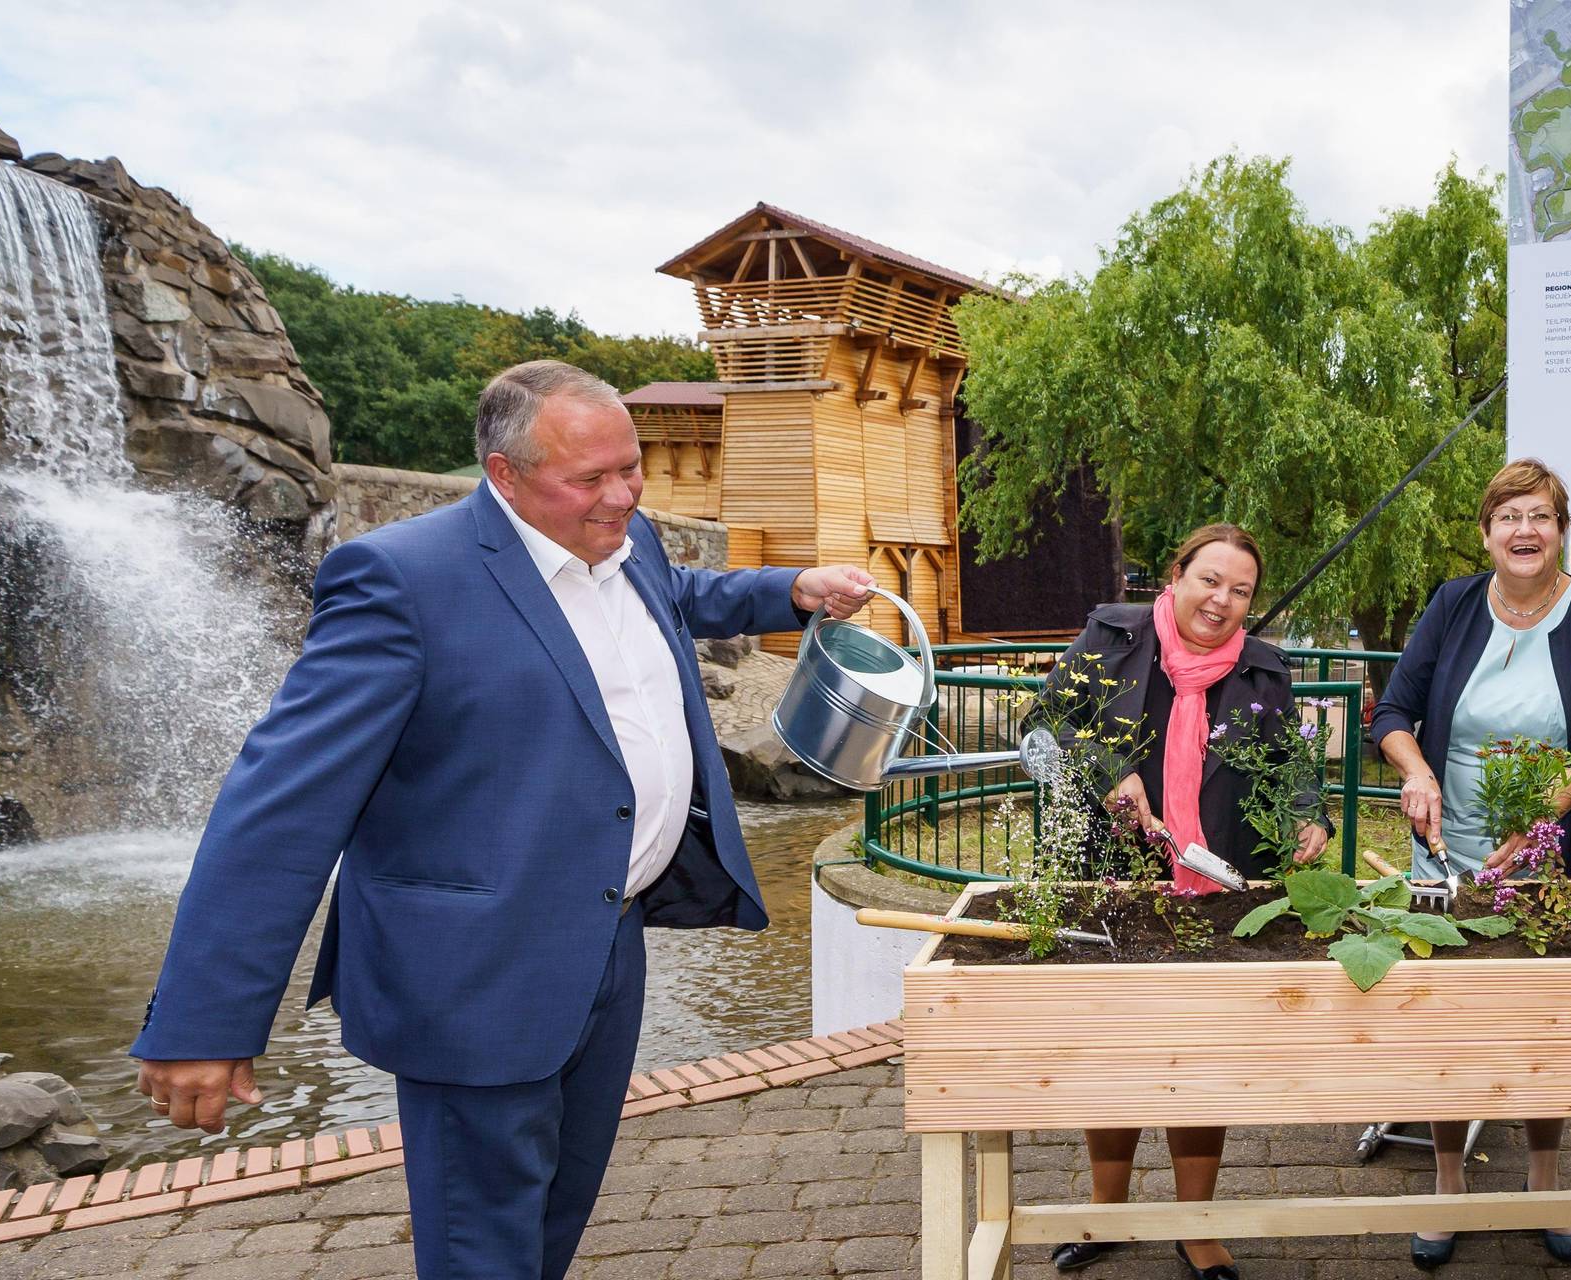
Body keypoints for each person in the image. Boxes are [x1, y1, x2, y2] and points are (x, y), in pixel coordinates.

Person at [129, 361, 881, 1280]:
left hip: (610, 938)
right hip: (473, 973)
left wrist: (787, 590)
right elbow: (279, 806)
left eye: (630, 468)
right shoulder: (399, 580)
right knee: (482, 1247)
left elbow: (675, 594)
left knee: (554, 1218)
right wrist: (203, 1022)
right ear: (503, 475)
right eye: (590, 480)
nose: (622, 496)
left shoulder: (625, 539)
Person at [1035, 523, 1330, 1280]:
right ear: (1176, 575)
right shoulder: (1111, 636)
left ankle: (1195, 1225)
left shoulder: (1263, 670)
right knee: (1114, 1054)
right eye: (1209, 580)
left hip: (1213, 885)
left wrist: (1309, 813)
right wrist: (1109, 770)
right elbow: (1047, 718)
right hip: (1113, 873)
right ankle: (1109, 1215)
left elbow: (1290, 762)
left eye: (1240, 591)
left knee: (1201, 1056)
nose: (1221, 600)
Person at [1371, 457, 1571, 1270]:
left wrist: (1539, 821)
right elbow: (1392, 710)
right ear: (1485, 532)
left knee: (1542, 1023)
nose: (1525, 530)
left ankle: (1544, 1184)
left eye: (1541, 516)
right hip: (1447, 848)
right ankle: (1448, 1187)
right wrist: (1415, 771)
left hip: (1545, 849)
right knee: (1451, 1022)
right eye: (1509, 515)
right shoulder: (1450, 605)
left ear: (1560, 531)